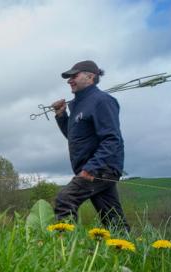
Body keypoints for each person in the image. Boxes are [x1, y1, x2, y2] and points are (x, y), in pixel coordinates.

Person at [51, 60, 130, 232]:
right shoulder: (79, 105)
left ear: (90, 76)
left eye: (74, 75)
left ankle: (64, 250)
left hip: (100, 169)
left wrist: (91, 169)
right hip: (90, 169)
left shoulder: (102, 101)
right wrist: (61, 115)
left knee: (65, 200)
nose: (70, 80)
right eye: (69, 77)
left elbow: (112, 139)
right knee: (112, 218)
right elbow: (74, 137)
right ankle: (126, 250)